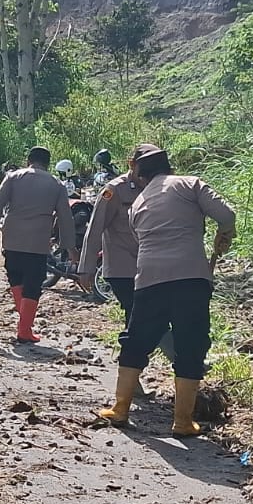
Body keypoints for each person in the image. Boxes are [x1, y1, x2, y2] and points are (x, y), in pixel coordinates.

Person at [95, 146, 235, 436]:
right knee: (190, 345)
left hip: (149, 279)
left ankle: (120, 409)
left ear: (141, 176)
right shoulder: (190, 184)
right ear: (169, 167)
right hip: (191, 279)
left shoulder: (137, 202)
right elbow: (226, 213)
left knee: (136, 340)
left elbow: (137, 237)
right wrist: (225, 234)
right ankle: (183, 421)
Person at [78, 144, 177, 364]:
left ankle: (131, 374)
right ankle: (184, 360)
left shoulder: (161, 188)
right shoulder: (114, 191)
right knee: (145, 315)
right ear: (131, 164)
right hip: (122, 268)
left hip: (151, 268)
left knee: (140, 319)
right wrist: (85, 268)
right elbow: (94, 229)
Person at [0, 146, 77, 343]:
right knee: (33, 285)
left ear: (28, 160)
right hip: (38, 241)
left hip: (12, 238)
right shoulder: (56, 184)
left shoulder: (13, 177)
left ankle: (24, 323)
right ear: (48, 163)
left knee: (15, 277)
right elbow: (65, 217)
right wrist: (70, 247)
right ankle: (24, 329)